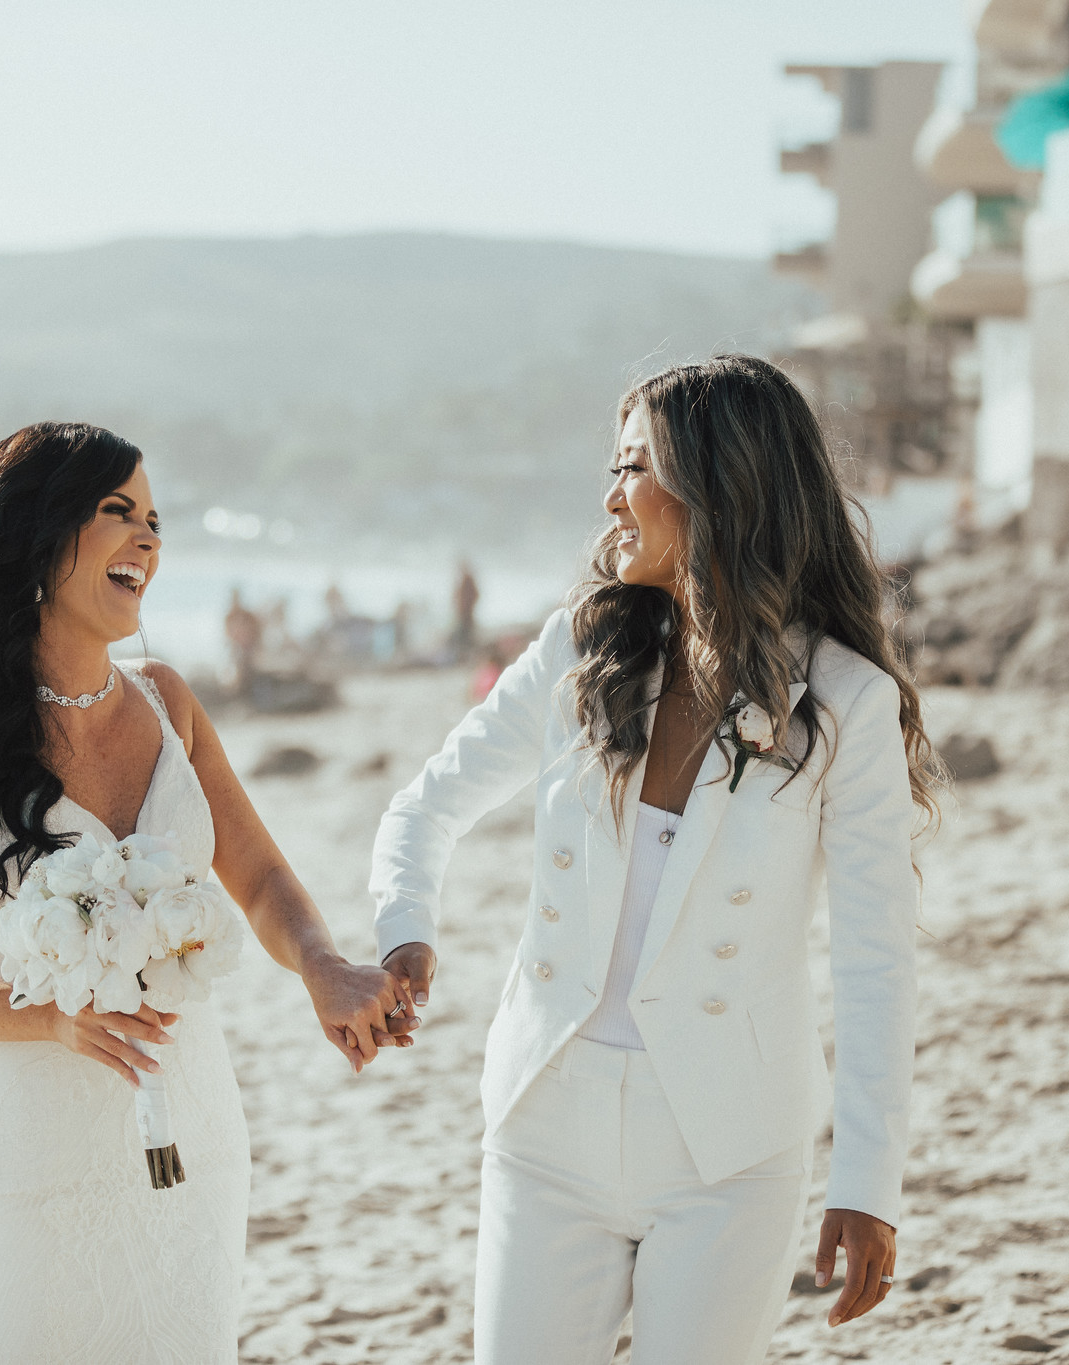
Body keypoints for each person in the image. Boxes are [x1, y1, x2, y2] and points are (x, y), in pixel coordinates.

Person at [0, 422, 409, 1361]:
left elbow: (257, 874)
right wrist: (50, 1018)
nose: (149, 538)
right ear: (41, 538)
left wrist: (324, 966)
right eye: (116, 512)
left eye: (153, 518)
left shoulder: (168, 700)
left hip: (193, 1126)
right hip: (24, 1148)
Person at [371, 355, 935, 1362]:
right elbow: (425, 807)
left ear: (715, 483)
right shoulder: (577, 655)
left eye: (633, 466)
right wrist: (404, 930)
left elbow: (874, 961)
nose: (609, 494)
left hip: (729, 1143)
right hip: (545, 1122)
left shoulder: (843, 701)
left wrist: (866, 1184)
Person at [222, 586, 263, 691]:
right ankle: (233, 685)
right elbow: (228, 637)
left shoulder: (246, 616)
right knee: (233, 659)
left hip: (247, 648)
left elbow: (255, 633)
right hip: (237, 648)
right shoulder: (230, 616)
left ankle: (236, 685)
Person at [451, 559, 480, 659]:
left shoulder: (467, 579)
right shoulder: (462, 579)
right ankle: (463, 655)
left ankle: (465, 655)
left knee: (466, 635)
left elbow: (476, 594)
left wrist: (469, 605)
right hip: (462, 613)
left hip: (466, 613)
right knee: (463, 635)